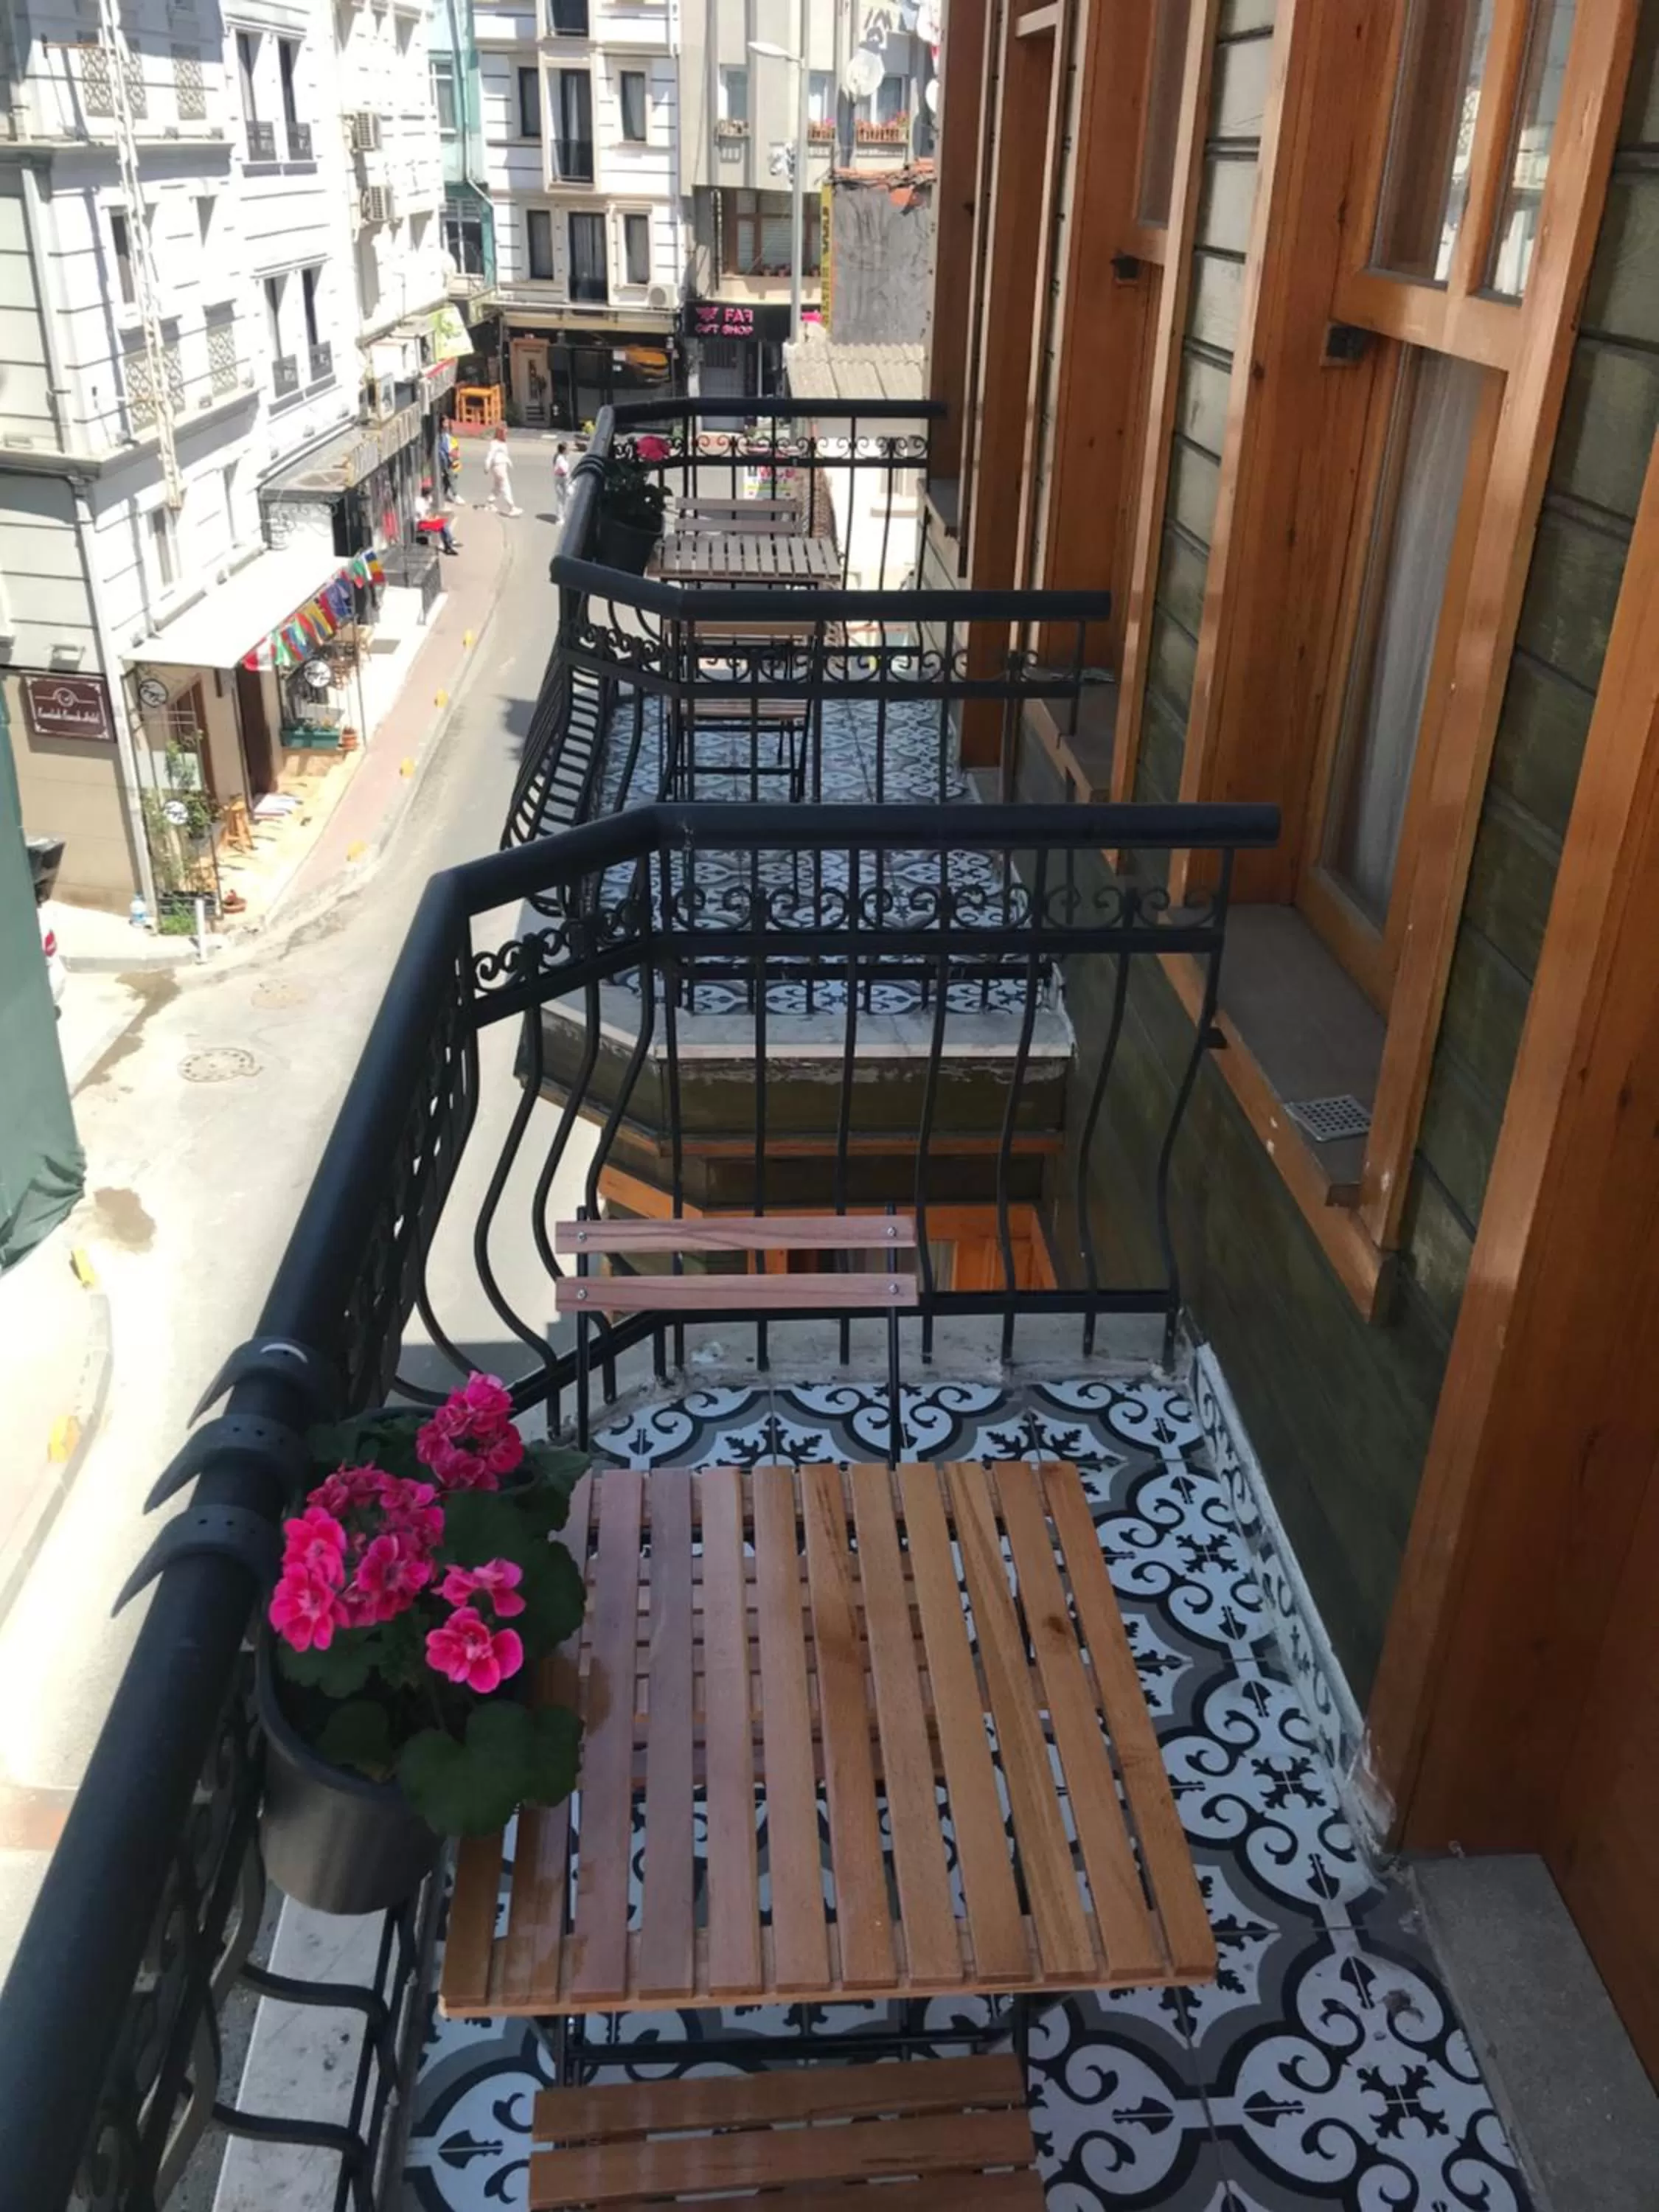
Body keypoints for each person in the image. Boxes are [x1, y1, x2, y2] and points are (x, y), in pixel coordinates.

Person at [416, 479, 460, 556]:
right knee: (443, 524)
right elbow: (422, 517)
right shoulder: (419, 502)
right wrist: (432, 519)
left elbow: (428, 512)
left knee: (443, 524)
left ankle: (448, 544)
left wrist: (433, 517)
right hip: (421, 523)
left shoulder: (427, 500)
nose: (430, 496)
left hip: (426, 520)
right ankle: (449, 543)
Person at [483, 424, 520, 516]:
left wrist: (509, 462)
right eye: (505, 432)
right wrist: (487, 466)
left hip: (501, 466)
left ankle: (489, 503)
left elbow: (505, 455)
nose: (506, 434)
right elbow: (490, 455)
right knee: (506, 486)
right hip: (498, 466)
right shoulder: (495, 443)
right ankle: (512, 508)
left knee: (498, 486)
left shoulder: (502, 443)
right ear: (500, 433)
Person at [439, 423, 462, 504]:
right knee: (451, 476)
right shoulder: (442, 436)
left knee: (448, 477)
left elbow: (454, 446)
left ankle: (444, 494)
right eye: (444, 424)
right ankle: (455, 495)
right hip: (444, 459)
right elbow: (447, 449)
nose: (446, 426)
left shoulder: (448, 436)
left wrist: (456, 452)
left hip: (449, 460)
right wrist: (454, 454)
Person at [552, 441, 571, 524]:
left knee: (566, 497)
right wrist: (566, 475)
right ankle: (560, 518)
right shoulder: (560, 459)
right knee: (561, 499)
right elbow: (561, 470)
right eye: (567, 449)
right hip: (561, 481)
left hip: (563, 480)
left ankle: (564, 515)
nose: (569, 450)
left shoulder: (563, 457)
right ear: (563, 450)